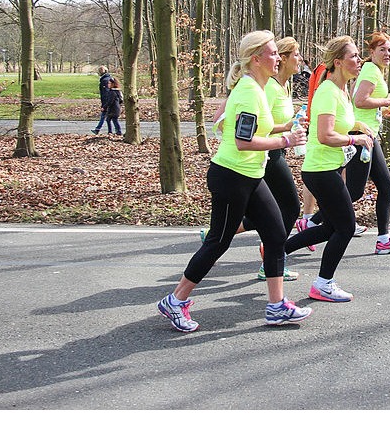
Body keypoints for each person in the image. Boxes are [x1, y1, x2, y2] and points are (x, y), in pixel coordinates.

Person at [156, 31, 311, 332]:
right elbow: (243, 141)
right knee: (218, 241)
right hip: (231, 176)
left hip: (251, 175)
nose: (278, 57)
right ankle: (175, 300)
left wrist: (287, 126)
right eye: (272, 53)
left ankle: (277, 306)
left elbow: (259, 128)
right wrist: (285, 139)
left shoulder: (257, 88)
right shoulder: (248, 91)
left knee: (276, 233)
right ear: (256, 58)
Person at [200, 37, 306, 281]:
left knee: (272, 218)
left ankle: (275, 293)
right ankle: (271, 260)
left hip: (265, 155)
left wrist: (290, 127)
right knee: (287, 208)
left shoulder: (280, 86)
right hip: (256, 158)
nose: (298, 59)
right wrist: (286, 138)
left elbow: (266, 123)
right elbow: (244, 132)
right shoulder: (261, 87)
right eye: (296, 55)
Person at [283, 35, 371, 303]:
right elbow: (324, 135)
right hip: (320, 170)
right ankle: (323, 284)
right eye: (354, 56)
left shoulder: (342, 91)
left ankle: (277, 251)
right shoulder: (327, 91)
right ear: (338, 62)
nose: (359, 60)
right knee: (345, 227)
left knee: (330, 227)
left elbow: (341, 122)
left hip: (330, 168)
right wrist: (355, 139)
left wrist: (358, 124)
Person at [346, 32, 390, 254]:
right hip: (361, 135)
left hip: (369, 134)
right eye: (382, 49)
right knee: (353, 192)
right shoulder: (371, 71)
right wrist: (387, 100)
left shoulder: (374, 72)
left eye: (389, 50)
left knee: (386, 185)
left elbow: (361, 101)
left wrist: (382, 109)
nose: (387, 54)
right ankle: (312, 222)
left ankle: (384, 239)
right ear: (371, 52)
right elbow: (360, 101)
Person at [92, 66, 112, 135]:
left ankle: (98, 129)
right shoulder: (108, 78)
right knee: (108, 117)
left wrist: (104, 104)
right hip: (109, 101)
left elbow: (105, 93)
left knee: (105, 116)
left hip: (107, 101)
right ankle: (110, 131)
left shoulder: (105, 80)